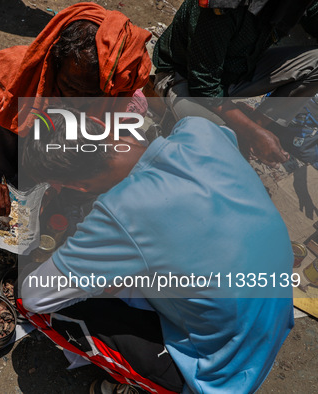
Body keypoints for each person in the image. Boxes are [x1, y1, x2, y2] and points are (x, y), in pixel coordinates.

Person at [18, 112, 294, 393]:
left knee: (31, 298)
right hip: (271, 321)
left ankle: (154, 385)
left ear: (78, 186)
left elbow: (34, 296)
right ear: (103, 127)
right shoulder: (199, 129)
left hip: (222, 372)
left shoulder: (122, 211)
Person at [0, 2, 152, 216]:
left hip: (66, 171)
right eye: (70, 87)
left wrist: (57, 188)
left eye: (91, 95)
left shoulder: (121, 94)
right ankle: (4, 177)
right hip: (15, 153)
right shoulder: (17, 68)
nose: (76, 103)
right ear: (53, 62)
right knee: (0, 103)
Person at [152, 0, 318, 168]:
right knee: (223, 153)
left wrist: (252, 128)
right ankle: (242, 133)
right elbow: (204, 86)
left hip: (238, 71)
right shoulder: (222, 6)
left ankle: (247, 130)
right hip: (186, 79)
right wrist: (251, 131)